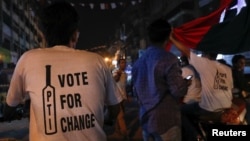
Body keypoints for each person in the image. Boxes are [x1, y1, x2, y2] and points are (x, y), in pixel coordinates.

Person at [3, 1, 122, 141]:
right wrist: (107, 118)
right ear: (75, 34)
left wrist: (13, 113)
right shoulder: (96, 61)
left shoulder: (28, 59)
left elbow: (9, 107)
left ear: (45, 35)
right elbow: (115, 107)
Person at [132, 19, 188, 141]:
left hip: (146, 119)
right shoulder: (169, 59)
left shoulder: (138, 63)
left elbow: (136, 93)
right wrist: (186, 83)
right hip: (166, 120)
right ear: (168, 36)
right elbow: (178, 90)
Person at [170, 34, 233, 140]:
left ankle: (196, 136)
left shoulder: (205, 64)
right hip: (226, 107)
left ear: (206, 54)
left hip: (209, 110)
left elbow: (186, 51)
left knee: (179, 111)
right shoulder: (227, 69)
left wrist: (171, 38)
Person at [112, 58, 129, 139]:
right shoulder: (115, 72)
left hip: (123, 98)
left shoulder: (125, 74)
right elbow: (114, 80)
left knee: (119, 116)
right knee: (120, 116)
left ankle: (117, 130)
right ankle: (124, 134)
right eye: (122, 63)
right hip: (117, 98)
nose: (124, 64)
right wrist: (118, 74)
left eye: (125, 63)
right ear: (118, 64)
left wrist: (127, 96)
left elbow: (124, 87)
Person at [231, 54, 250, 123]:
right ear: (235, 63)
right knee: (247, 105)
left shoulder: (239, 73)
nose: (243, 64)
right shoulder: (235, 73)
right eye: (241, 62)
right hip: (236, 96)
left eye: (244, 63)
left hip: (240, 94)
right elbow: (242, 85)